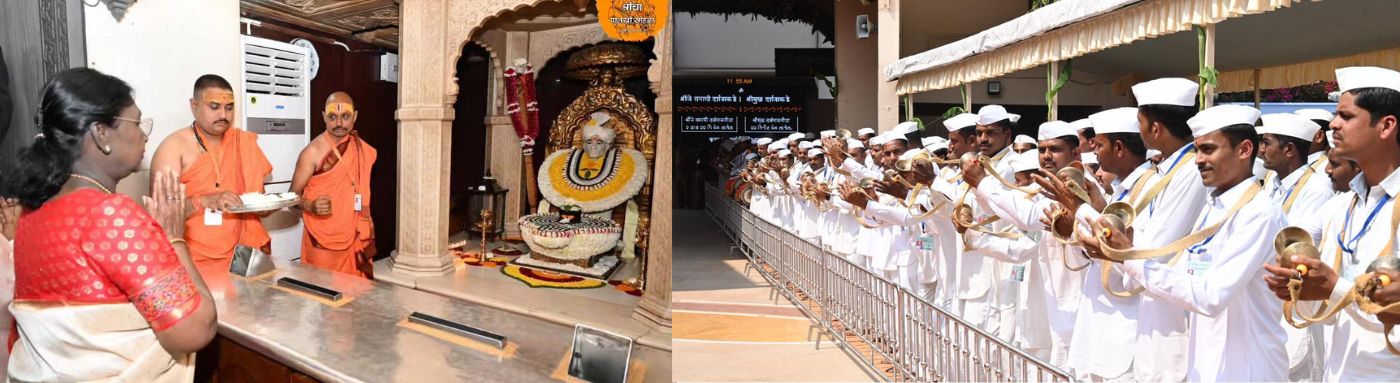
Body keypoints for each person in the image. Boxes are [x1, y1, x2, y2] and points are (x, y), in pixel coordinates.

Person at [4, 68, 216, 381]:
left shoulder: (32, 216)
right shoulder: (111, 216)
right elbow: (195, 330)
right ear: (102, 133)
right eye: (137, 122)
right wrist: (174, 238)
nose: (146, 134)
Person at [1119, 105, 1287, 382]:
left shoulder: (1259, 213)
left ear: (1244, 150)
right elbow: (1184, 275)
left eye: (1208, 150)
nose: (1198, 160)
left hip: (1247, 369)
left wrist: (1129, 258)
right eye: (1197, 150)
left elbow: (1211, 296)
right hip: (1207, 364)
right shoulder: (1214, 206)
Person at [1263, 66, 1400, 382]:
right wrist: (1300, 288)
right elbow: (1325, 313)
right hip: (1339, 371)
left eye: (1346, 116)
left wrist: (1335, 288)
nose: (1333, 125)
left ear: (1386, 126)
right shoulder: (1341, 207)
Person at [151, 75, 273, 273]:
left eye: (229, 107)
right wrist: (205, 201)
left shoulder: (242, 142)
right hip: (195, 260)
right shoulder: (174, 147)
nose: (223, 115)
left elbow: (260, 203)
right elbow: (161, 215)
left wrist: (266, 205)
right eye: (214, 107)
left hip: (245, 256)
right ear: (194, 105)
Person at [290, 92, 378, 279]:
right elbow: (291, 197)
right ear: (324, 117)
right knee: (324, 297)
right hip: (324, 240)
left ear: (354, 117)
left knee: (357, 296)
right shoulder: (312, 153)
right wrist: (310, 205)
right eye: (332, 117)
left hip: (356, 234)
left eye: (345, 117)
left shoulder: (361, 147)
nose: (339, 123)